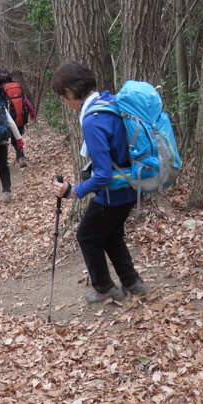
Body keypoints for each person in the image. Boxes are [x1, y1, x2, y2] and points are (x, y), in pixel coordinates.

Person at [49, 61, 147, 304]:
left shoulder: (92, 120)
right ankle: (133, 282)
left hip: (112, 193)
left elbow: (102, 174)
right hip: (132, 186)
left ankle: (105, 287)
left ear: (70, 92)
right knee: (112, 235)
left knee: (87, 236)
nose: (65, 103)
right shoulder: (111, 103)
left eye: (63, 97)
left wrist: (73, 191)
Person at [0, 69, 36, 169]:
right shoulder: (17, 86)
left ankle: (2, 161)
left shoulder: (1, 89)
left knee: (4, 140)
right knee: (16, 139)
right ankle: (21, 157)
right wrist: (32, 114)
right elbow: (26, 102)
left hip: (7, 119)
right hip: (20, 118)